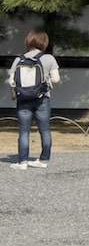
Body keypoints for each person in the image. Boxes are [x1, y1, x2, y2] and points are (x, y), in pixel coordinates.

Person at [9, 29, 60, 169]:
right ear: (44, 42)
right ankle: (43, 160)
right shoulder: (48, 58)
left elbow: (11, 80)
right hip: (42, 98)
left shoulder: (19, 59)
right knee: (44, 130)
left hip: (23, 99)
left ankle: (22, 162)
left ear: (28, 41)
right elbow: (56, 79)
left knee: (24, 131)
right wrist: (45, 81)